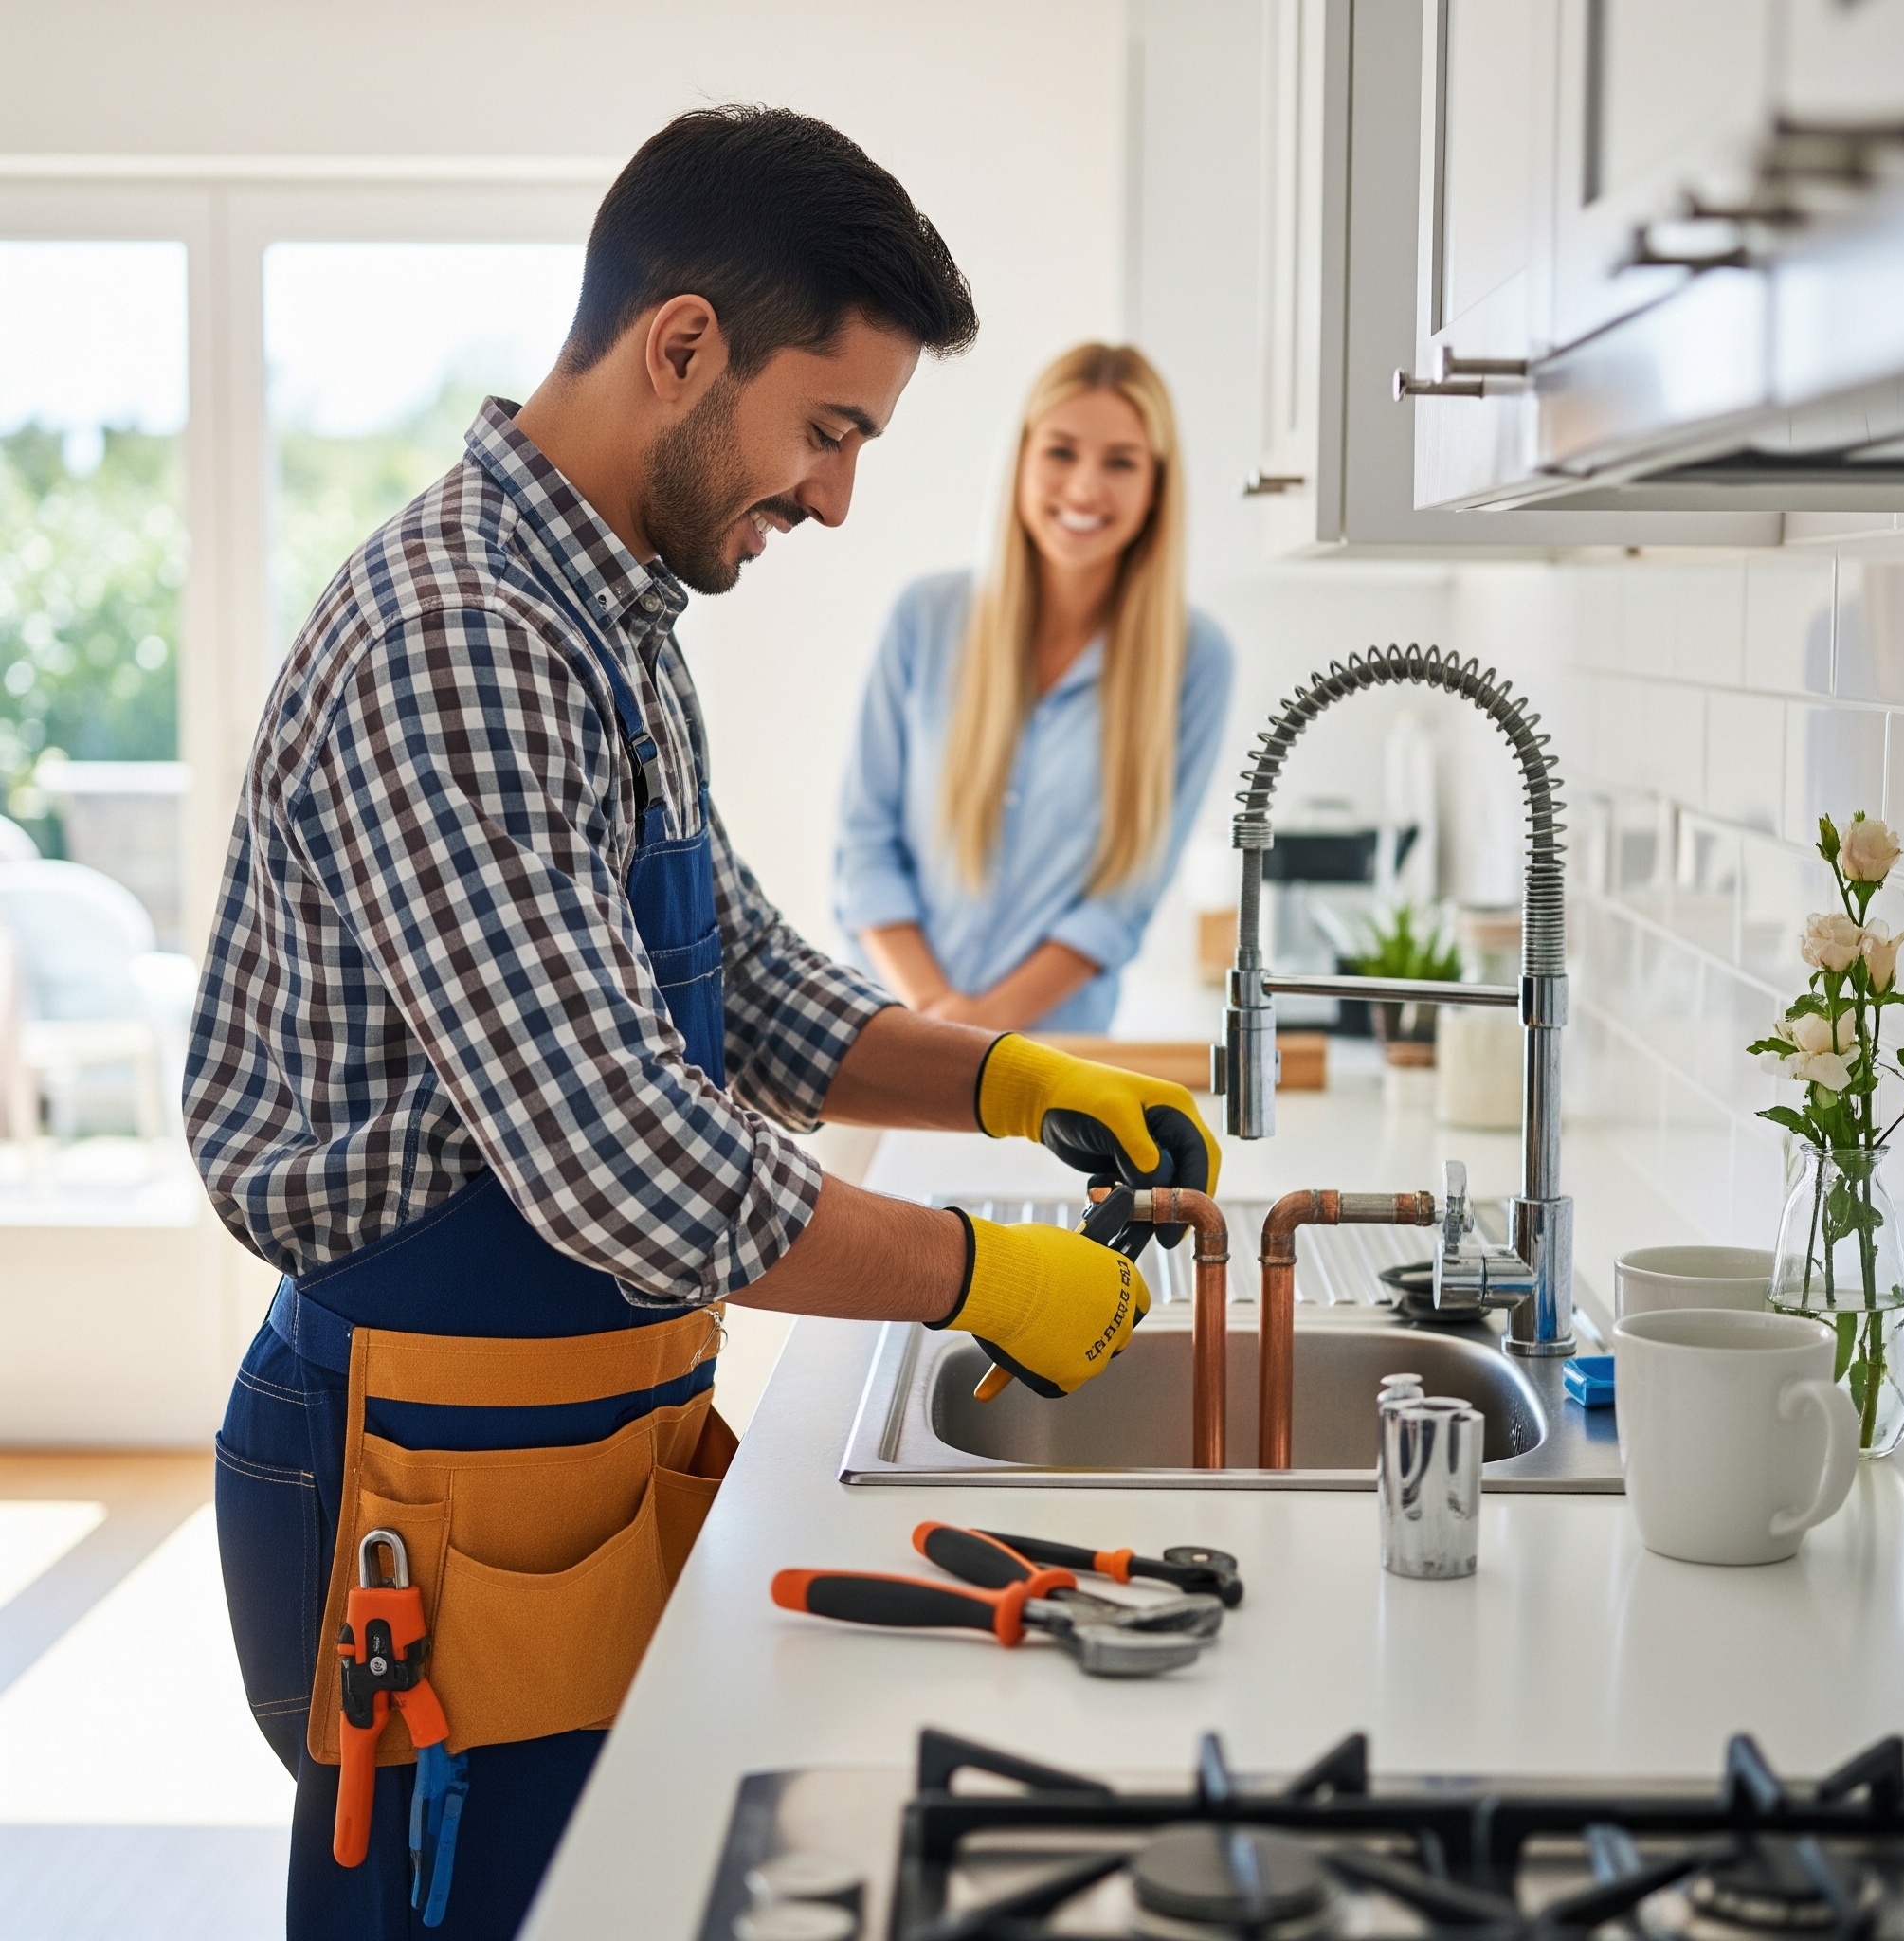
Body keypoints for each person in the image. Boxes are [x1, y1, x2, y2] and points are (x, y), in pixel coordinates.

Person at [184, 107, 1220, 1941]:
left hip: (570, 1432)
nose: (833, 495)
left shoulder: (612, 613)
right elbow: (621, 1163)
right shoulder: (467, 635)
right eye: (828, 428)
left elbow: (728, 968)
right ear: (681, 347)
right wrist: (986, 1271)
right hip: (420, 1462)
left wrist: (1003, 1076)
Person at [835, 343, 1233, 1033]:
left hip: (1055, 1063)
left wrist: (983, 1033)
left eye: (1120, 462)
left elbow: (1120, 903)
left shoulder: (1196, 660)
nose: (1084, 488)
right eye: (1060, 452)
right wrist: (933, 1019)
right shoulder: (924, 619)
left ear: (1156, 486)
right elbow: (865, 851)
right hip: (889, 1035)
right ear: (1021, 459)